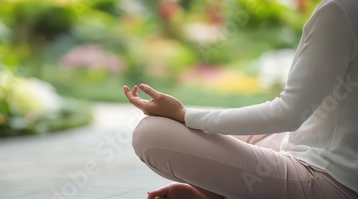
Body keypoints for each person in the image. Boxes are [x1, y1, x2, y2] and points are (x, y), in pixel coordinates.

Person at [123, 0, 358, 198]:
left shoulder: (339, 11)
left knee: (151, 133)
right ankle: (216, 192)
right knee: (256, 135)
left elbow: (287, 114)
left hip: (332, 183)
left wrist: (184, 115)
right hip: (321, 156)